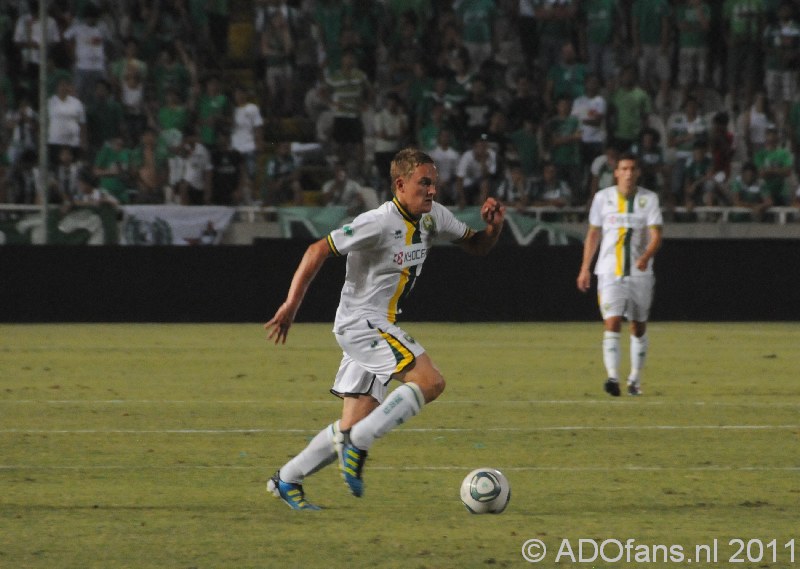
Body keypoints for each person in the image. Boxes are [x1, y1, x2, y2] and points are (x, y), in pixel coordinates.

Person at [264, 147, 506, 510]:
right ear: (400, 184)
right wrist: (290, 305)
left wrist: (494, 227)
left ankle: (287, 478)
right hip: (361, 323)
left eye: (434, 184)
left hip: (377, 325)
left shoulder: (432, 217)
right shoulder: (377, 222)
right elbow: (317, 250)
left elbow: (477, 246)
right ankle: (362, 441)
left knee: (347, 427)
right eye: (424, 183)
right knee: (430, 382)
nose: (432, 191)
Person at [577, 152, 663, 397]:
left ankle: (634, 378)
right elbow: (593, 235)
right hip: (608, 271)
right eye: (623, 168)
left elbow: (656, 234)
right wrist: (585, 268)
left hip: (640, 274)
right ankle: (612, 377)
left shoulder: (649, 199)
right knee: (612, 321)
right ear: (616, 172)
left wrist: (646, 256)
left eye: (632, 169)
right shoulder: (602, 198)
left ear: (638, 173)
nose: (627, 173)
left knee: (638, 326)